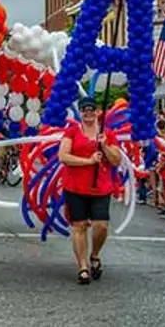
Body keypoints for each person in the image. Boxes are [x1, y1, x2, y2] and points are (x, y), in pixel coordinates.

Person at [58, 97, 122, 286]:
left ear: (97, 112)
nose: (88, 113)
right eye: (84, 109)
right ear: (80, 112)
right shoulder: (72, 132)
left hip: (100, 187)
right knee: (79, 226)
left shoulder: (108, 134)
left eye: (91, 109)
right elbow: (63, 156)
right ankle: (83, 267)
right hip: (75, 186)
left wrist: (103, 145)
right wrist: (88, 161)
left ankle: (94, 255)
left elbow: (116, 160)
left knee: (101, 225)